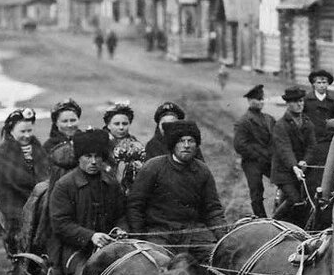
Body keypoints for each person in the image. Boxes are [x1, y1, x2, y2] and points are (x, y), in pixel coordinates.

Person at [126, 120, 226, 251]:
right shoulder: (153, 167)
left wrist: (224, 238)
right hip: (159, 233)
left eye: (191, 141)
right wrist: (139, 238)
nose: (186, 145)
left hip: (194, 234)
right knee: (158, 260)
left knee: (217, 257)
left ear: (196, 145)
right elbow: (135, 205)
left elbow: (213, 209)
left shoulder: (202, 170)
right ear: (173, 145)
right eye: (181, 141)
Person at [47, 128, 127, 275]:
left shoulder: (111, 184)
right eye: (88, 156)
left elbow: (121, 215)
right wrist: (91, 236)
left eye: (98, 156)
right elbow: (60, 223)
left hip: (109, 247)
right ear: (78, 158)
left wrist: (120, 230)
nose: (93, 161)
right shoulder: (64, 185)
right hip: (75, 249)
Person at [0, 107, 49, 254]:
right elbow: (6, 184)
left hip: (38, 203)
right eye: (22, 131)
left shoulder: (36, 147)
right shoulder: (4, 152)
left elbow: (46, 173)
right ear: (11, 131)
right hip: (14, 206)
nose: (27, 135)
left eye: (29, 130)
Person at [271, 86, 318, 226]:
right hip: (284, 172)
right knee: (295, 199)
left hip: (301, 171)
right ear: (288, 104)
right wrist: (294, 166)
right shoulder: (280, 125)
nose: (299, 104)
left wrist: (305, 161)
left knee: (305, 202)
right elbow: (285, 149)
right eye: (295, 101)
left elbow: (312, 146)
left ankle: (293, 226)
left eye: (301, 101)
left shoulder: (308, 123)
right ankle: (273, 222)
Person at [233, 84, 276, 218]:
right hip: (252, 162)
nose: (261, 102)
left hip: (268, 160)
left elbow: (276, 139)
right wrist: (258, 154)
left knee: (284, 182)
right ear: (250, 101)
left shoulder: (269, 119)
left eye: (262, 99)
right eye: (258, 99)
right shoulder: (243, 121)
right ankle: (261, 218)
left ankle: (280, 214)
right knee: (256, 191)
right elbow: (239, 145)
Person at [304, 69, 334, 188]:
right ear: (313, 84)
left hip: (327, 141)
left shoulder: (333, 102)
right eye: (318, 83)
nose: (321, 85)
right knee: (310, 171)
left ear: (328, 84)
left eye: (324, 82)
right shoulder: (306, 101)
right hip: (311, 141)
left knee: (326, 169)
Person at [103, 102, 145, 194]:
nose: (121, 127)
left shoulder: (136, 145)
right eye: (116, 124)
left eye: (125, 124)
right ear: (108, 125)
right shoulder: (101, 143)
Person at [45, 99, 82, 183]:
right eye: (64, 121)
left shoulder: (87, 141)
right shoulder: (49, 146)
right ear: (56, 123)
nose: (69, 125)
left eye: (73, 120)